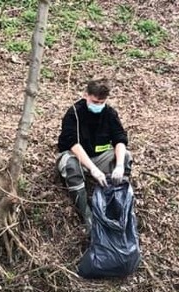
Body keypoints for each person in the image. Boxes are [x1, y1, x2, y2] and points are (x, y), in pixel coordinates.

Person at [55, 79, 132, 231]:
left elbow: (120, 139)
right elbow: (73, 144)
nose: (98, 106)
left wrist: (119, 166)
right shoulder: (74, 114)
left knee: (126, 156)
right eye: (95, 102)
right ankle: (86, 215)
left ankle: (118, 204)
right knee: (71, 166)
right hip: (74, 156)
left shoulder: (109, 113)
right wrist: (93, 169)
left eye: (101, 102)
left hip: (99, 156)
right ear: (86, 96)